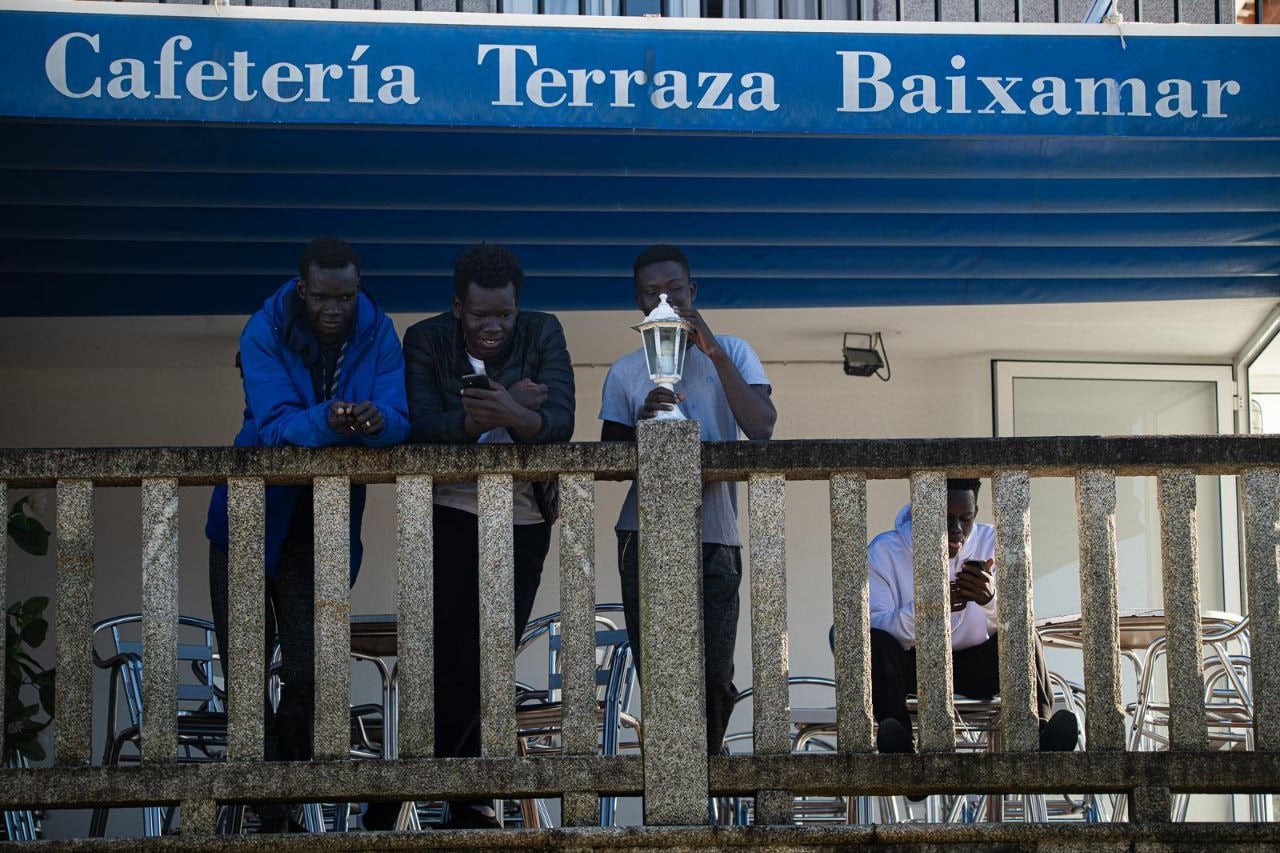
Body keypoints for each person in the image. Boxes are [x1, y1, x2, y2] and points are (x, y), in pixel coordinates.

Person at [204, 237, 410, 833]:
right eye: (322, 296)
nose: (334, 309)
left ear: (358, 287)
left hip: (325, 521)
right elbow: (272, 426)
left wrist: (372, 422)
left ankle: (283, 800)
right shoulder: (263, 328)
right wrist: (333, 419)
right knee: (244, 669)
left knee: (310, 671)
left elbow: (398, 417)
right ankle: (268, 804)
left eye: (346, 296)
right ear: (303, 289)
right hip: (248, 518)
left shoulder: (378, 330)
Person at [395, 243, 575, 830]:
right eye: (479, 315)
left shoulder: (545, 332)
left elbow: (560, 423)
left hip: (523, 518)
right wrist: (501, 412)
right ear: (457, 307)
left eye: (504, 314)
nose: (493, 326)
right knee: (450, 653)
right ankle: (466, 796)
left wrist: (503, 413)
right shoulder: (425, 339)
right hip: (446, 510)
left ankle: (406, 787)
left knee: (494, 654)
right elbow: (422, 425)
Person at [599, 244, 777, 759]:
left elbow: (761, 428)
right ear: (638, 301)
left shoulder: (734, 350)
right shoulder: (627, 371)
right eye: (653, 292)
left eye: (675, 289)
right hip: (644, 533)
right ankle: (675, 783)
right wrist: (642, 426)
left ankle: (705, 772)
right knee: (660, 668)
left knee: (715, 673)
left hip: (716, 532)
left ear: (692, 291)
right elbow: (610, 463)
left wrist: (713, 350)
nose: (665, 298)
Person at [867, 478, 1078, 755]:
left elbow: (1015, 620)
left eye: (965, 519)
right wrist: (932, 609)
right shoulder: (884, 551)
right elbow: (876, 625)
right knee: (875, 643)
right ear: (921, 513)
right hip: (912, 668)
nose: (956, 530)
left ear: (975, 513)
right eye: (946, 520)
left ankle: (1040, 734)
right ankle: (899, 749)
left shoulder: (994, 542)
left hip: (977, 665)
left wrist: (990, 600)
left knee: (1024, 633)